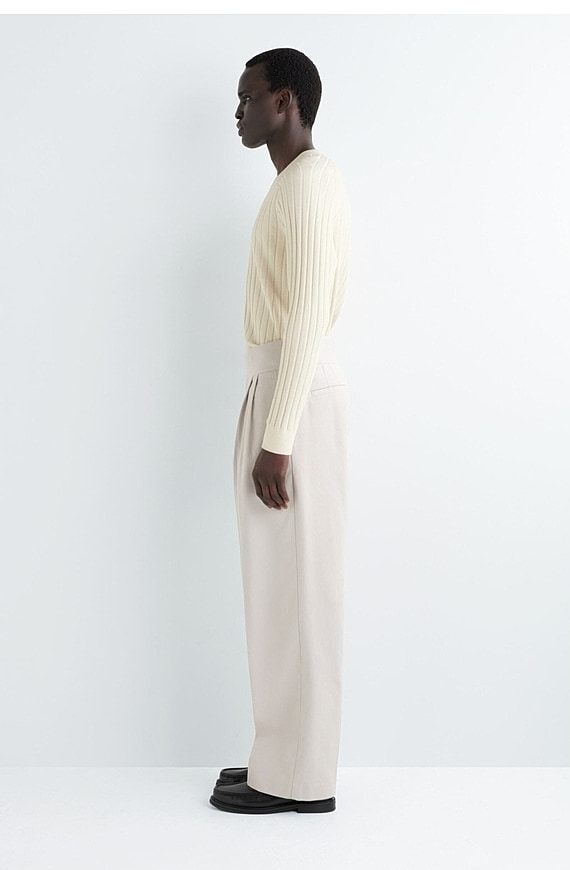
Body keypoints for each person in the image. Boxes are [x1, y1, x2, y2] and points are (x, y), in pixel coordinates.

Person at [209, 47, 351, 815]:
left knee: (301, 592)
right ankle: (280, 758)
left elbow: (305, 319)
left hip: (291, 400)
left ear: (285, 101)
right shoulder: (293, 184)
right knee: (276, 591)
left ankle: (302, 781)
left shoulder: (310, 184)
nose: (238, 111)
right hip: (275, 390)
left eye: (248, 97)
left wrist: (278, 437)